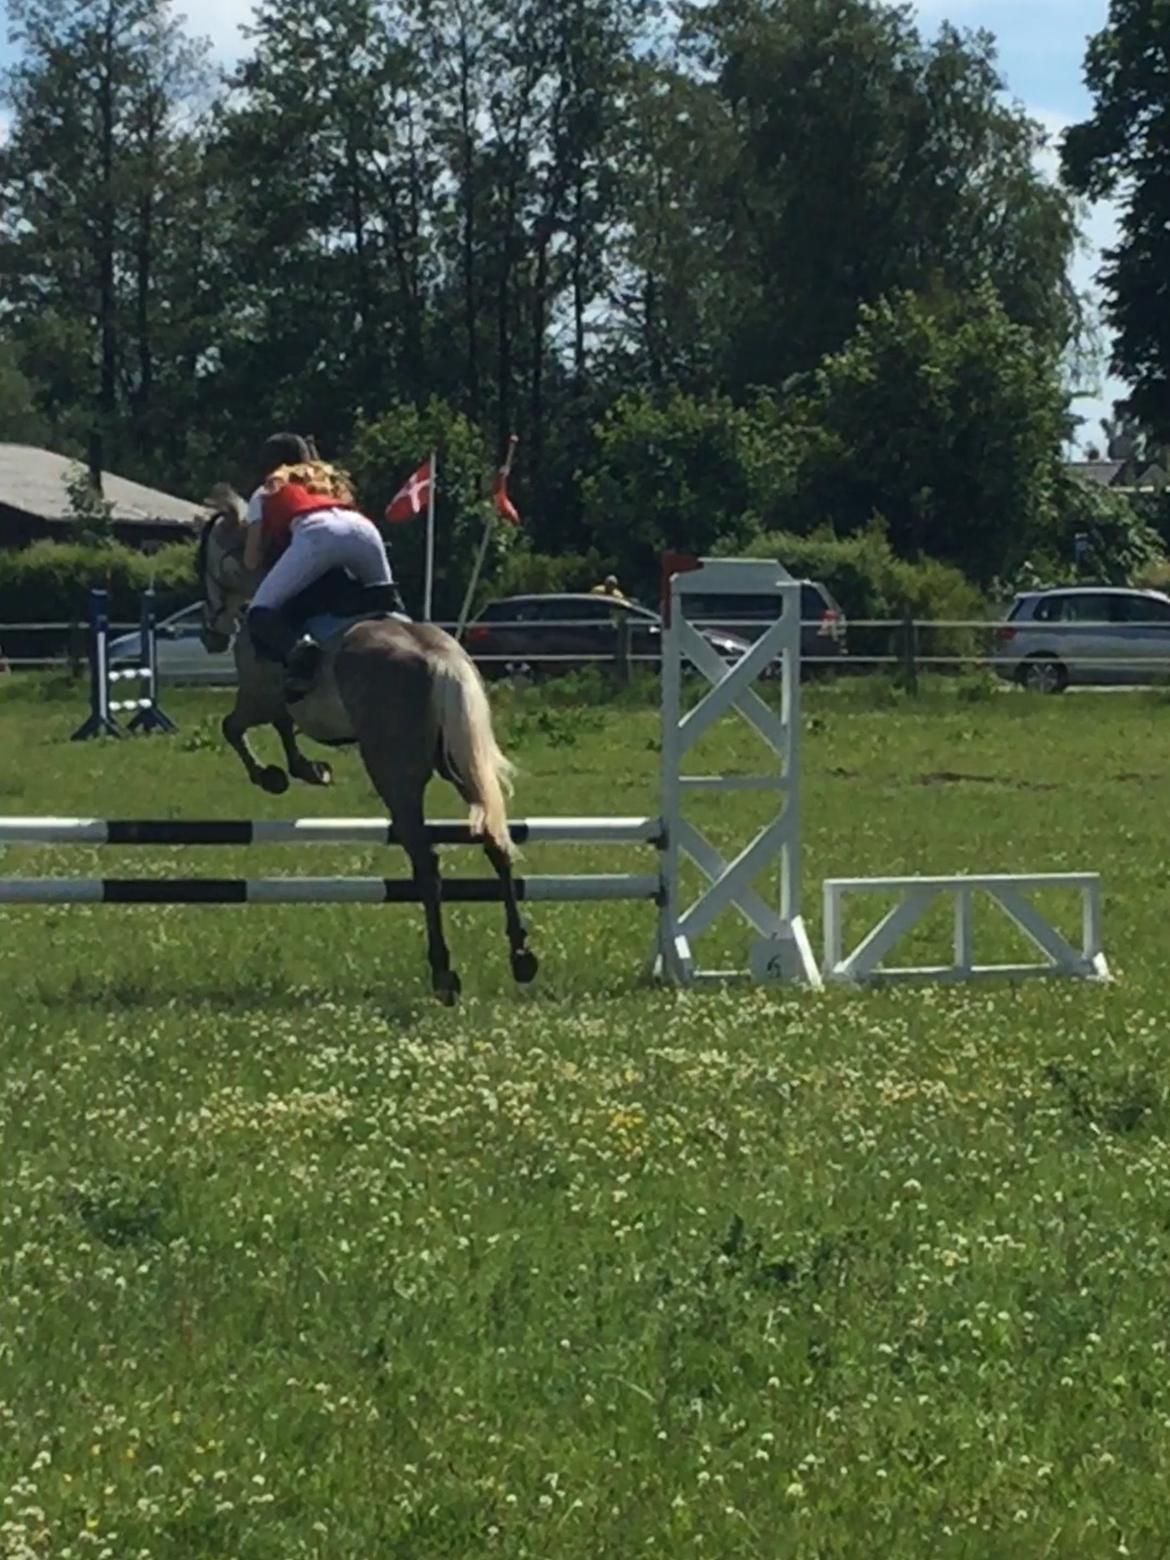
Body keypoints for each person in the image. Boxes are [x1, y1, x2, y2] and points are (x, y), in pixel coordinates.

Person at [244, 459, 399, 696]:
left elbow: (255, 559)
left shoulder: (267, 490)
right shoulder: (328, 483)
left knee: (258, 611)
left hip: (317, 533)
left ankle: (300, 653)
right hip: (365, 529)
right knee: (388, 600)